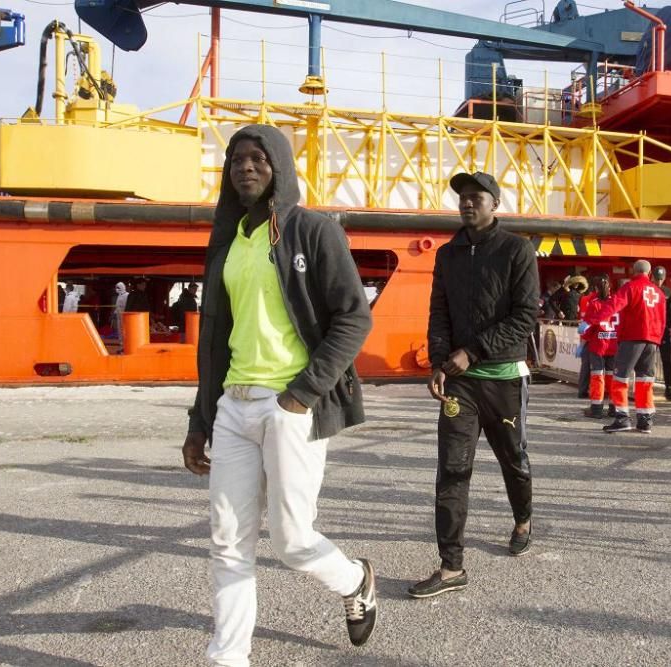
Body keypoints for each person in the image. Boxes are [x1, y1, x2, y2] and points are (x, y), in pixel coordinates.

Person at [180, 124, 377, 663]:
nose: (245, 166)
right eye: (236, 158)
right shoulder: (230, 245)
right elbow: (217, 342)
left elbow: (353, 317)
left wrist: (303, 393)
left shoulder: (313, 230)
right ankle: (228, 658)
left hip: (290, 405)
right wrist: (200, 420)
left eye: (257, 157)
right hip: (233, 407)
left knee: (292, 541)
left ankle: (355, 580)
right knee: (228, 543)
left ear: (279, 166)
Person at [410, 171, 539, 599]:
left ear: (494, 204)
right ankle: (451, 567)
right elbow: (438, 311)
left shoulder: (517, 250)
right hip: (460, 383)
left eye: (476, 197)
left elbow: (524, 316)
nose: (467, 203)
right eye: (463, 198)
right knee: (451, 468)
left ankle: (522, 518)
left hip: (503, 377)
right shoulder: (447, 255)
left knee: (512, 460)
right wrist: (441, 361)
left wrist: (475, 351)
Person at [600, 260, 667, 434]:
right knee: (645, 380)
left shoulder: (630, 287)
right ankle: (645, 420)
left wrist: (592, 321)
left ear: (633, 271)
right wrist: (657, 339)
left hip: (632, 338)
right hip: (652, 340)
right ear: (650, 273)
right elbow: (663, 319)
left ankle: (622, 418)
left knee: (620, 378)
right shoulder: (659, 293)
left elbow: (613, 305)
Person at [581, 275, 617, 419]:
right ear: (610, 288)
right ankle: (614, 407)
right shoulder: (615, 302)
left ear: (595, 288)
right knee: (612, 377)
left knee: (597, 376)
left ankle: (596, 408)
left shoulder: (594, 304)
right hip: (613, 345)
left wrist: (583, 342)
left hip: (597, 346)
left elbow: (588, 328)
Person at [652, 266, 671, 401]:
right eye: (657, 278)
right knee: (648, 360)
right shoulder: (648, 290)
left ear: (664, 278)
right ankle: (646, 386)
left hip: (664, 331)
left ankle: (669, 388)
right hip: (651, 330)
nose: (659, 281)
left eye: (661, 279)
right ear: (652, 277)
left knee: (666, 360)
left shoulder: (668, 292)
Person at [111, 282, 129, 352]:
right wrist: (115, 313)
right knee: (120, 331)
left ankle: (126, 346)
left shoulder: (127, 295)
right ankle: (122, 345)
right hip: (119, 316)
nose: (117, 289)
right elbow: (118, 306)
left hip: (124, 316)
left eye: (118, 288)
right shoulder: (119, 296)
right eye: (116, 288)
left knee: (125, 331)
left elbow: (126, 306)